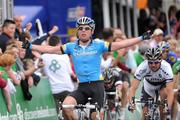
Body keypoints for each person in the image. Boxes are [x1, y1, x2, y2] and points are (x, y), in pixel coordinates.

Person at [22, 16, 151, 120]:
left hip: (97, 86)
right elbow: (51, 49)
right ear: (77, 31)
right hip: (82, 87)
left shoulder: (99, 45)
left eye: (86, 28)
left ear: (92, 31)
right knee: (66, 107)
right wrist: (31, 46)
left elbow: (120, 44)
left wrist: (141, 38)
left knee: (95, 117)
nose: (83, 30)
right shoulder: (71, 46)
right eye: (81, 28)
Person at [128, 47, 174, 120]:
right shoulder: (142, 67)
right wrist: (131, 103)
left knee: (163, 109)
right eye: (150, 62)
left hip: (162, 85)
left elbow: (170, 91)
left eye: (156, 62)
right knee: (145, 115)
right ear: (147, 61)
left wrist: (168, 107)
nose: (153, 65)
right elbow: (133, 88)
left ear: (160, 61)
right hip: (148, 87)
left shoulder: (166, 67)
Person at [40, 35, 77, 118]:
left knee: (56, 116)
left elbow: (39, 70)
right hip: (67, 88)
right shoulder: (64, 56)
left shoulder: (43, 57)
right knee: (69, 114)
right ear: (59, 43)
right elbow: (70, 73)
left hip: (53, 90)